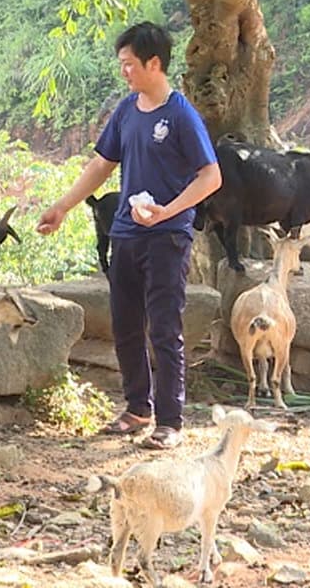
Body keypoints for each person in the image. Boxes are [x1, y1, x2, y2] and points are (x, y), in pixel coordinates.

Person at [36, 22, 221, 450]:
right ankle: (138, 407)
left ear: (153, 63)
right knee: (126, 326)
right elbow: (101, 165)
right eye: (122, 65)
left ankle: (170, 421)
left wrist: (169, 211)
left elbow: (211, 176)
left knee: (164, 328)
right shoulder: (125, 111)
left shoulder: (181, 115)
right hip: (125, 233)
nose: (125, 72)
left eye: (129, 64)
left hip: (168, 236)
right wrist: (62, 206)